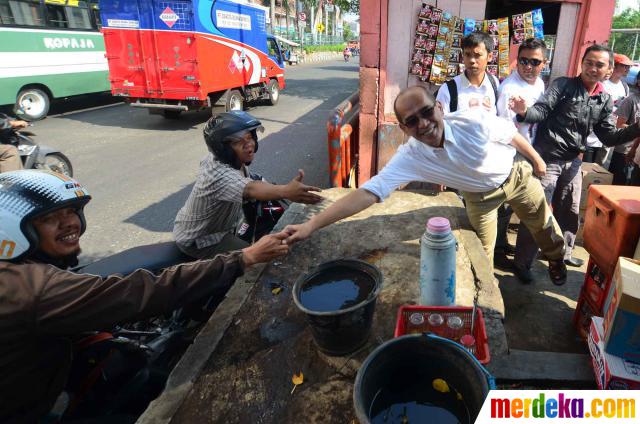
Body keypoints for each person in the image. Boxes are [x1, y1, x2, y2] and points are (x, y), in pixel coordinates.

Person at [0, 169, 290, 422]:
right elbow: (146, 291)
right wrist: (242, 258)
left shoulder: (18, 273)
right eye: (51, 218)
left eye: (71, 212)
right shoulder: (34, 287)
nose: (70, 223)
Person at [284, 85, 568, 286]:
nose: (423, 124)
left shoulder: (474, 121)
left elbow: (511, 136)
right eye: (411, 121)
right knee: (479, 254)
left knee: (543, 225)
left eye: (426, 112)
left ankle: (555, 259)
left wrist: (537, 160)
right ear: (404, 129)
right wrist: (310, 226)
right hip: (479, 197)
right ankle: (488, 299)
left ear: (440, 108)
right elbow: (369, 192)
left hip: (515, 176)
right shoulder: (410, 156)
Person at [510, 44, 640, 276]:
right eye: (588, 62)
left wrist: (637, 128)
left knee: (569, 210)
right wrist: (524, 112)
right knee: (538, 212)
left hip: (573, 161)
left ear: (608, 69)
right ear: (582, 63)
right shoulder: (563, 86)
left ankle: (563, 254)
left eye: (599, 64)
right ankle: (522, 263)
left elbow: (608, 136)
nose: (592, 68)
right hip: (547, 159)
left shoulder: (604, 99)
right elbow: (541, 110)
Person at [173, 111, 322, 259]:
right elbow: (250, 188)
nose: (248, 144)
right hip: (200, 239)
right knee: (260, 257)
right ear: (223, 148)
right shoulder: (218, 175)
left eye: (250, 137)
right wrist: (285, 191)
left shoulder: (224, 159)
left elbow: (249, 182)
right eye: (238, 141)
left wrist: (278, 189)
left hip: (215, 226)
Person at [436, 31, 499, 114]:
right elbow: (440, 123)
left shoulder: (494, 83)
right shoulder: (448, 90)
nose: (472, 60)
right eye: (468, 55)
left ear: (490, 57)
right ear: (463, 56)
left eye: (477, 55)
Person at [607, 54, 636, 184]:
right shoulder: (602, 83)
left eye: (629, 67)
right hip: (594, 133)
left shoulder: (625, 87)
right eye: (625, 66)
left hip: (610, 134)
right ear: (615, 66)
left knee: (602, 169)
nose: (627, 69)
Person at [614, 72, 640, 185]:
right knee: (618, 183)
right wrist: (636, 129)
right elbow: (619, 124)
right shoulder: (631, 100)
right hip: (624, 150)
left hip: (636, 152)